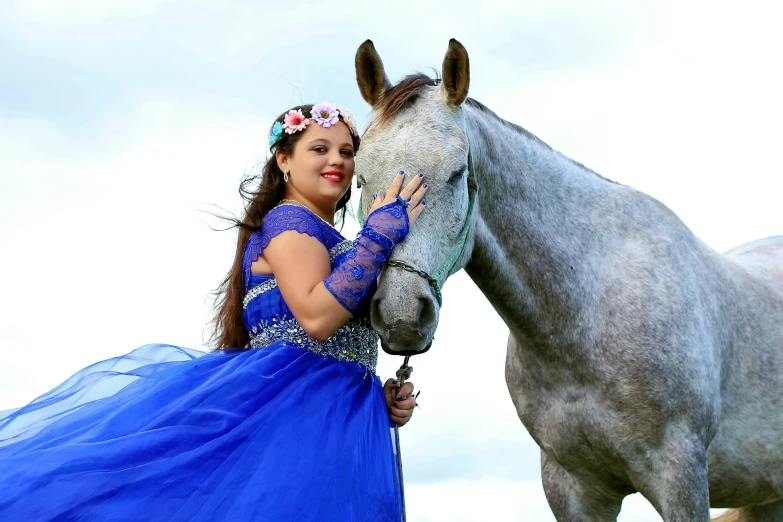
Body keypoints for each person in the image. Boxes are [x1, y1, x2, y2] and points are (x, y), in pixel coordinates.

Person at [0, 101, 427, 521]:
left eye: (346, 152)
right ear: (283, 159)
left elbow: (336, 345)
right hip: (295, 422)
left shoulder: (325, 235)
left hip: (338, 420)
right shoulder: (289, 221)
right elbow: (317, 318)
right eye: (319, 148)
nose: (337, 160)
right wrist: (378, 237)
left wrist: (374, 396)